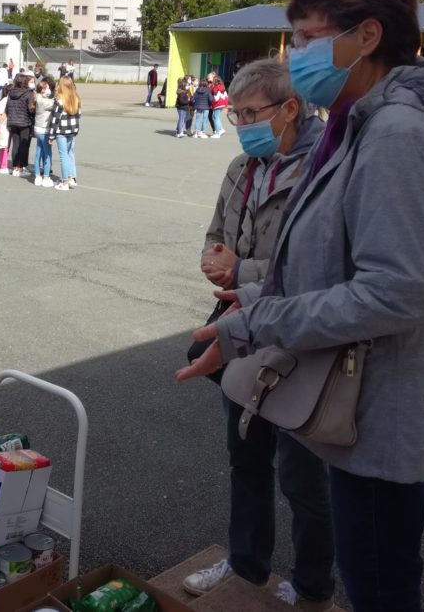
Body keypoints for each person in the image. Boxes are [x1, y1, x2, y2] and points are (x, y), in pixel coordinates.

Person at [178, 0, 424, 612]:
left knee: (380, 585)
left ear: (367, 36)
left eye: (309, 39)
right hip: (365, 409)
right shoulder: (366, 124)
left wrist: (254, 321)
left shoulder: (397, 134)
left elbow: (396, 290)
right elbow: (327, 268)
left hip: (381, 420)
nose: (296, 57)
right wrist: (240, 325)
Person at [182, 60, 334, 608]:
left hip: (302, 341)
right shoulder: (242, 166)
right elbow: (216, 234)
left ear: (289, 109)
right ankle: (246, 564)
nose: (242, 123)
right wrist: (213, 260)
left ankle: (313, 584)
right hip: (243, 329)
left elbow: (320, 265)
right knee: (245, 459)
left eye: (251, 113)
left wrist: (241, 269)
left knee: (304, 478)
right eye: (236, 114)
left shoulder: (327, 166)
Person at [47, 76, 81, 191]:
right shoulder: (76, 98)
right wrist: (76, 130)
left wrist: (51, 135)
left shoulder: (59, 100)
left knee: (63, 156)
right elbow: (78, 116)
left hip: (61, 131)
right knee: (70, 153)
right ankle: (72, 177)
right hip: (72, 130)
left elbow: (54, 119)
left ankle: (65, 181)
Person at [5, 74, 35, 179]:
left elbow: (7, 108)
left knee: (15, 145)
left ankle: (15, 168)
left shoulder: (10, 93)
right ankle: (20, 167)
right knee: (23, 145)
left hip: (13, 121)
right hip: (24, 122)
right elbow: (31, 109)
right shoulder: (28, 93)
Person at [33, 78, 56, 187]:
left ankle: (37, 176)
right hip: (44, 129)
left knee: (38, 152)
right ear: (42, 90)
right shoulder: (44, 101)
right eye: (47, 88)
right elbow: (55, 104)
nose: (49, 90)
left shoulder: (38, 98)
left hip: (38, 129)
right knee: (47, 154)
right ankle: (46, 177)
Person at [0, 84, 11, 174]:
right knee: (3, 146)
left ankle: (2, 165)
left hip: (3, 125)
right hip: (1, 126)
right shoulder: (5, 100)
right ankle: (2, 166)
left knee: (4, 146)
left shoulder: (7, 99)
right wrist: (2, 123)